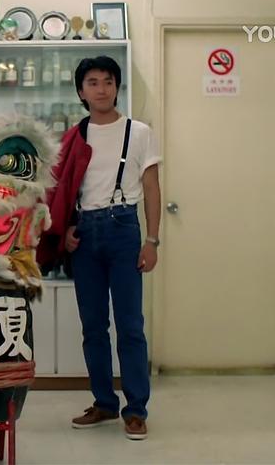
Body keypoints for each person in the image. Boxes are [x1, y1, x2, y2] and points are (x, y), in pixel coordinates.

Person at [40, 56, 162, 440]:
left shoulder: (139, 132)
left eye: (108, 81)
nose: (101, 89)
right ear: (81, 91)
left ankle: (136, 410)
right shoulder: (73, 137)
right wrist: (67, 230)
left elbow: (152, 188)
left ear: (117, 86)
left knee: (130, 326)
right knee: (93, 326)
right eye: (92, 82)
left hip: (124, 228)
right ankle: (104, 403)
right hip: (85, 235)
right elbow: (62, 192)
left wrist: (152, 240)